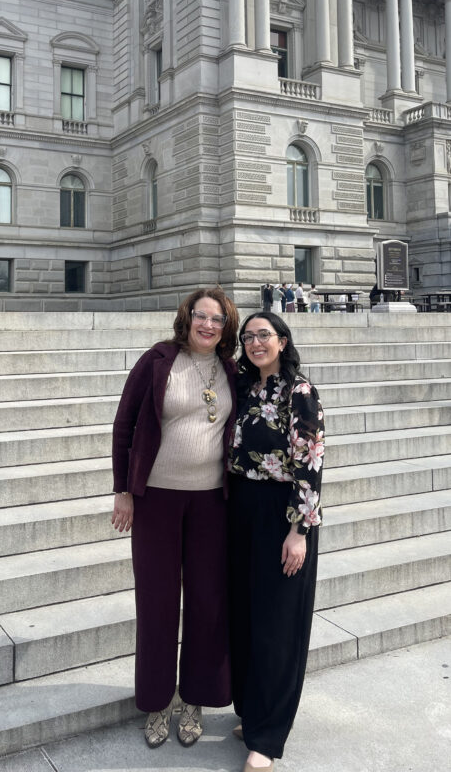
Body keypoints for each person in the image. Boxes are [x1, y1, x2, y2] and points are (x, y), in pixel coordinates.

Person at [111, 287, 239, 749]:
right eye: (201, 316)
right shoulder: (158, 359)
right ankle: (158, 702)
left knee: (208, 602)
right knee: (158, 602)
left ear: (226, 328)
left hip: (211, 503)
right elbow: (124, 425)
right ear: (186, 319)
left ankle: (195, 699)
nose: (208, 325)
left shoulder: (231, 370)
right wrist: (123, 490)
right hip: (156, 500)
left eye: (218, 319)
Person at [228, 310, 325, 771]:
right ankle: (251, 714)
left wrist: (298, 531)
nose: (255, 343)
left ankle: (268, 738)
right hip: (243, 508)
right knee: (247, 615)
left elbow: (310, 463)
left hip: (284, 513)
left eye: (264, 335)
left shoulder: (300, 392)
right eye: (248, 337)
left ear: (283, 341)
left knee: (278, 626)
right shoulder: (246, 389)